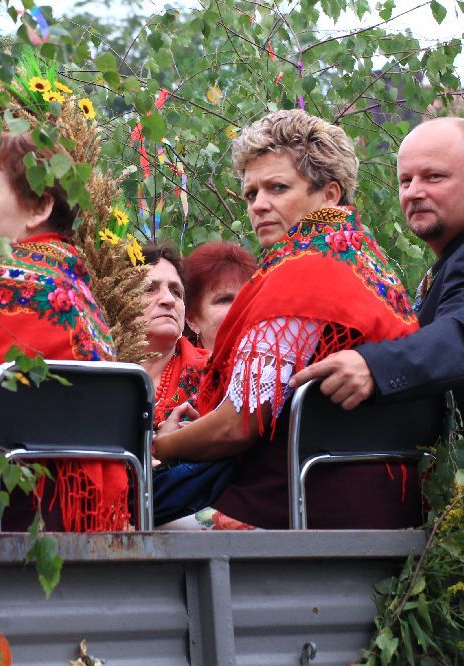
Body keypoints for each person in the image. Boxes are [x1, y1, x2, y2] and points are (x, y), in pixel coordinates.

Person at [153, 109, 420, 530]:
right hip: (390, 499)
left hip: (297, 505)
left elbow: (238, 427)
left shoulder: (303, 274)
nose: (259, 205)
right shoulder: (371, 266)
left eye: (277, 188)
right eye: (250, 194)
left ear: (329, 195)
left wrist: (163, 445)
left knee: (135, 524)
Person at [291, 117, 464, 424]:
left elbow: (460, 340)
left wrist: (371, 366)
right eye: (405, 181)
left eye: (434, 177)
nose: (413, 192)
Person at [0, 133, 129, 532]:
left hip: (1, 526)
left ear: (39, 207)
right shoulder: (75, 290)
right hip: (77, 522)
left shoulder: (4, 287)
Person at [140, 243, 210, 427]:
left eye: (176, 292)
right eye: (149, 289)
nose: (169, 300)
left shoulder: (215, 373)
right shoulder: (95, 369)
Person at [183, 241, 257, 352]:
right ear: (192, 320)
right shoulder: (162, 360)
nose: (242, 308)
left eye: (248, 299)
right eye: (224, 300)